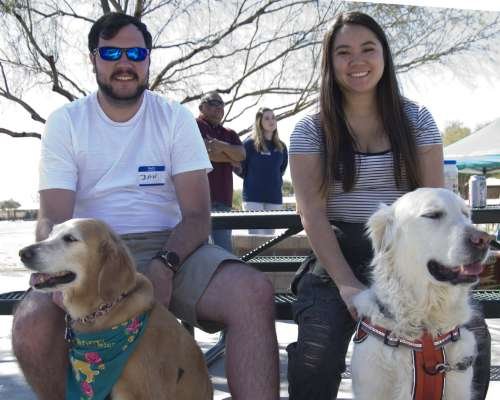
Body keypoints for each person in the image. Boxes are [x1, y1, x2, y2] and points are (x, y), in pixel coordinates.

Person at [11, 13, 279, 400]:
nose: (125, 63)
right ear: (93, 59)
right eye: (111, 53)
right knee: (31, 324)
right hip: (88, 251)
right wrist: (54, 272)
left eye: (136, 53)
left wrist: (165, 264)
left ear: (148, 59)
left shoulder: (175, 118)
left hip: (172, 246)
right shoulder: (65, 122)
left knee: (253, 292)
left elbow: (197, 216)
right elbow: (53, 216)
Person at [286, 11, 490, 400]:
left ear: (384, 55)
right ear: (330, 62)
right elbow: (311, 213)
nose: (357, 61)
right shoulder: (310, 130)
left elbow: (435, 202)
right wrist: (347, 284)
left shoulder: (418, 119)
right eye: (343, 52)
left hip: (407, 252)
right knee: (317, 349)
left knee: (473, 336)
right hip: (336, 253)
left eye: (368, 49)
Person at [196, 92, 245, 251]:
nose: (218, 107)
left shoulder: (229, 133)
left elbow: (242, 155)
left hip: (223, 200)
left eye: (221, 104)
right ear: (201, 107)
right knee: (198, 251)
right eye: (213, 103)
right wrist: (230, 157)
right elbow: (203, 153)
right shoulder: (194, 125)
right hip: (197, 201)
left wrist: (221, 146)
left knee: (223, 250)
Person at [237, 107, 288, 235]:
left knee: (270, 239)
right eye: (267, 118)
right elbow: (238, 166)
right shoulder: (249, 144)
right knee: (255, 237)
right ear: (259, 122)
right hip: (253, 198)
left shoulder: (281, 146)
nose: (271, 121)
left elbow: (281, 169)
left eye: (273, 118)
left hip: (274, 198)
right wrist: (252, 178)